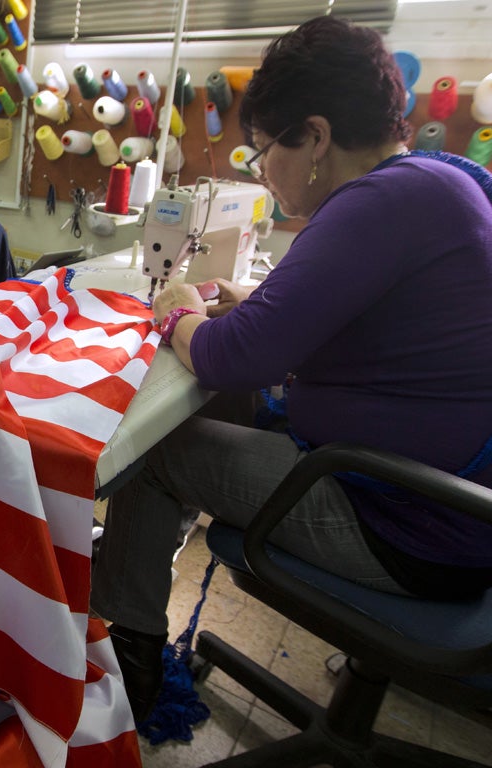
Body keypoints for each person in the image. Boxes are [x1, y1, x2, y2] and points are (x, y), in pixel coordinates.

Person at [90, 15, 492, 723]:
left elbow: (238, 356)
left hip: (407, 522)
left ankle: (133, 664)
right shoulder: (446, 181)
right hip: (448, 502)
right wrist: (258, 303)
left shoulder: (379, 203)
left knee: (155, 452)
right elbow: (373, 323)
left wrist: (177, 311)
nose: (262, 171)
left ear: (315, 137)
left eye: (263, 151)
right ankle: (135, 572)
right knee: (220, 408)